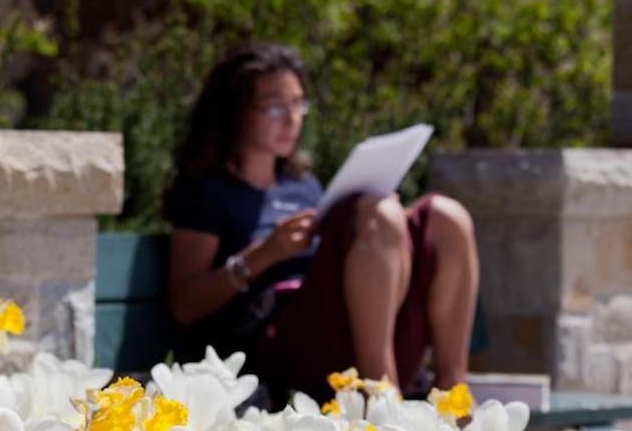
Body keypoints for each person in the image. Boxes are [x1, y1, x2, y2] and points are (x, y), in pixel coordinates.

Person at [164, 43, 479, 404]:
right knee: (379, 214)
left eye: (298, 105)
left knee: (445, 216)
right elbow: (184, 305)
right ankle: (382, 398)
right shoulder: (208, 193)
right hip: (282, 350)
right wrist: (264, 255)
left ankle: (455, 395)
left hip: (348, 333)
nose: (292, 119)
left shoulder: (304, 186)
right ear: (236, 111)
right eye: (276, 106)